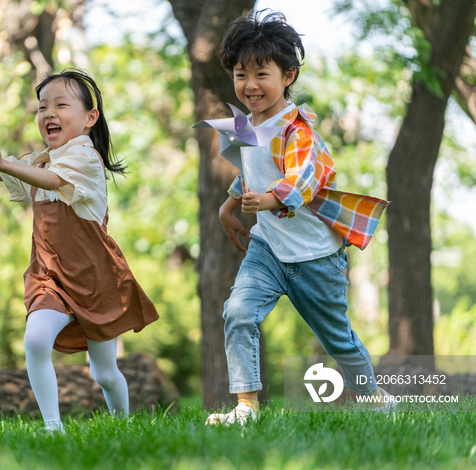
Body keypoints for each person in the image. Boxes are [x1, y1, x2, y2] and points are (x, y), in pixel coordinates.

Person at [0, 69, 159, 433]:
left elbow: (51, 180)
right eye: (42, 107)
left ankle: (123, 427)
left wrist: (6, 163)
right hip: (49, 277)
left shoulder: (85, 158)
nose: (48, 113)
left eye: (61, 105)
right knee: (36, 340)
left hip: (94, 280)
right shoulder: (38, 161)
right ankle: (54, 428)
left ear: (89, 118)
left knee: (105, 373)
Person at [204, 10, 393, 426]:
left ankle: (377, 399)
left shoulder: (297, 129)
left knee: (338, 340)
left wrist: (270, 202)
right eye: (240, 74)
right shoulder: (246, 126)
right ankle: (246, 408)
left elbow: (302, 180)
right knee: (237, 311)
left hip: (315, 257)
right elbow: (252, 171)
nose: (250, 85)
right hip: (268, 248)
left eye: (261, 73)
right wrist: (230, 204)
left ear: (288, 75)